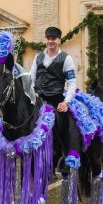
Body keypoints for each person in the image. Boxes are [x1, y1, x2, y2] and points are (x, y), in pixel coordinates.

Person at [29, 26, 78, 170]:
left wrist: (66, 101)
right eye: (48, 39)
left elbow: (72, 83)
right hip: (37, 97)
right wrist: (33, 92)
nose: (51, 41)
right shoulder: (38, 57)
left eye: (54, 39)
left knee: (64, 123)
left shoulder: (66, 58)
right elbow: (31, 77)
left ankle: (65, 157)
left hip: (56, 99)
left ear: (59, 40)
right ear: (46, 40)